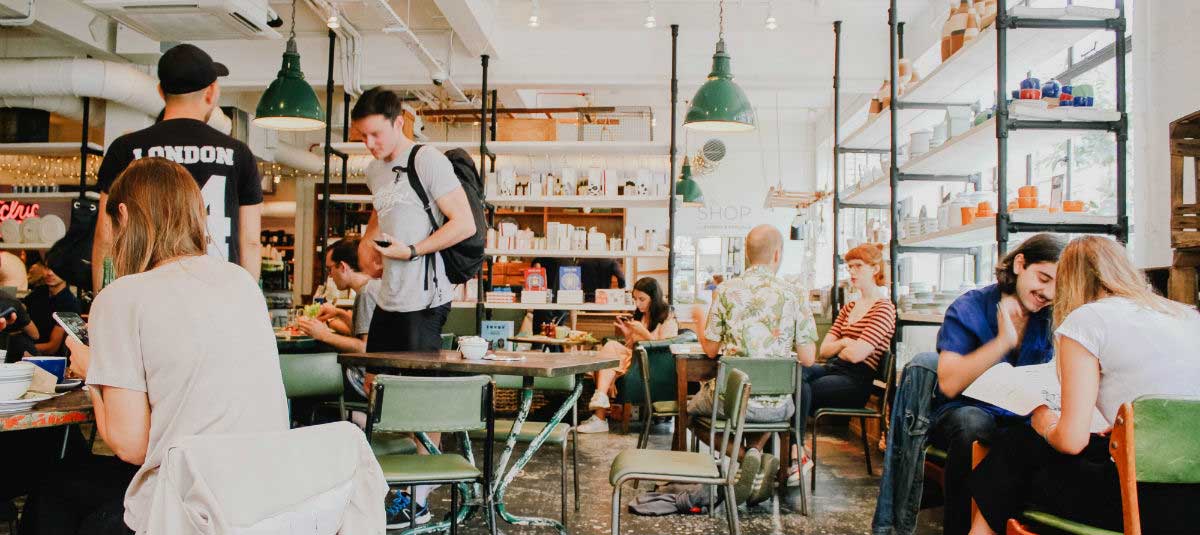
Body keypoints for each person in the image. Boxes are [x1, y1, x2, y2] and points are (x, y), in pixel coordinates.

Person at [19, 158, 288, 535]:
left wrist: (93, 371)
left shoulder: (121, 297)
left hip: (188, 506)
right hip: (261, 494)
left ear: (123, 216)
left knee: (54, 490)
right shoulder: (241, 282)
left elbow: (130, 446)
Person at [967, 236, 1200, 534]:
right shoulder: (1185, 314)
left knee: (1016, 446)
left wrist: (1044, 421)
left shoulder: (1086, 320)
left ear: (1069, 282)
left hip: (1143, 503)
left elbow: (1071, 440)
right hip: (1193, 500)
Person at [924, 233, 1065, 535]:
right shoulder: (970, 307)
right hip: (965, 411)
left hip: (1025, 416)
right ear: (1019, 264)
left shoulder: (1053, 317)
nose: (1048, 293)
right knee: (975, 425)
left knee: (1055, 436)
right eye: (1043, 278)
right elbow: (949, 383)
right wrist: (1002, 343)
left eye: (1058, 286)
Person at [92, 43, 263, 292]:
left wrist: (102, 301)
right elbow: (250, 242)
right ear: (211, 92)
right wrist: (248, 303)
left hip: (147, 294)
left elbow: (106, 235)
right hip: (217, 294)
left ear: (161, 91)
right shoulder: (239, 155)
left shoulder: (125, 149)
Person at [689, 224, 818, 506]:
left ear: (747, 255)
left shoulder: (725, 291)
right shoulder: (795, 293)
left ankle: (744, 455)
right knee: (766, 402)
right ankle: (754, 455)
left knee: (689, 412)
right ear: (777, 254)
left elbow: (710, 350)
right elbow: (808, 358)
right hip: (779, 405)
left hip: (733, 402)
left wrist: (699, 322)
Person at [351, 87, 475, 353]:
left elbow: (465, 224)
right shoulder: (374, 171)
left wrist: (411, 251)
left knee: (414, 389)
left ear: (398, 123)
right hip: (387, 298)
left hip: (425, 301)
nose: (370, 144)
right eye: (363, 136)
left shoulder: (427, 160)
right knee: (376, 383)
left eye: (376, 134)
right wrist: (366, 242)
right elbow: (383, 208)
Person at [800, 243, 895, 481]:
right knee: (794, 374)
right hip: (833, 368)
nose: (852, 272)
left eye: (858, 266)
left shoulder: (884, 309)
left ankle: (794, 452)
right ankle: (794, 450)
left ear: (874, 268)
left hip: (856, 380)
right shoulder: (849, 307)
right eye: (849, 266)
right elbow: (825, 348)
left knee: (803, 388)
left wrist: (842, 344)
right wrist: (845, 343)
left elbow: (857, 355)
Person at [578, 277, 679, 433]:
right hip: (635, 358)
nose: (637, 304)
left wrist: (642, 331)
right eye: (635, 299)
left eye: (642, 299)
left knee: (609, 355)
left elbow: (664, 347)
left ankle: (600, 414)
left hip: (652, 364)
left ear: (654, 297)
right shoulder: (641, 315)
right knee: (608, 353)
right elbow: (633, 345)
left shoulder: (667, 316)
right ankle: (600, 408)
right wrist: (627, 333)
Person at [296, 238, 379, 401]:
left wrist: (323, 335)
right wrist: (339, 313)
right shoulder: (372, 286)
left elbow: (366, 348)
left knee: (304, 373)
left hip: (363, 380)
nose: (330, 276)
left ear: (342, 266)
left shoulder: (366, 294)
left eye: (330, 269)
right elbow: (369, 334)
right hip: (375, 375)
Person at [24, 252, 83, 356]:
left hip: (52, 361)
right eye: (47, 268)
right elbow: (20, 310)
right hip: (29, 353)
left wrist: (21, 348)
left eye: (56, 269)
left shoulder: (69, 303)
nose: (50, 273)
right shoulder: (39, 293)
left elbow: (52, 347)